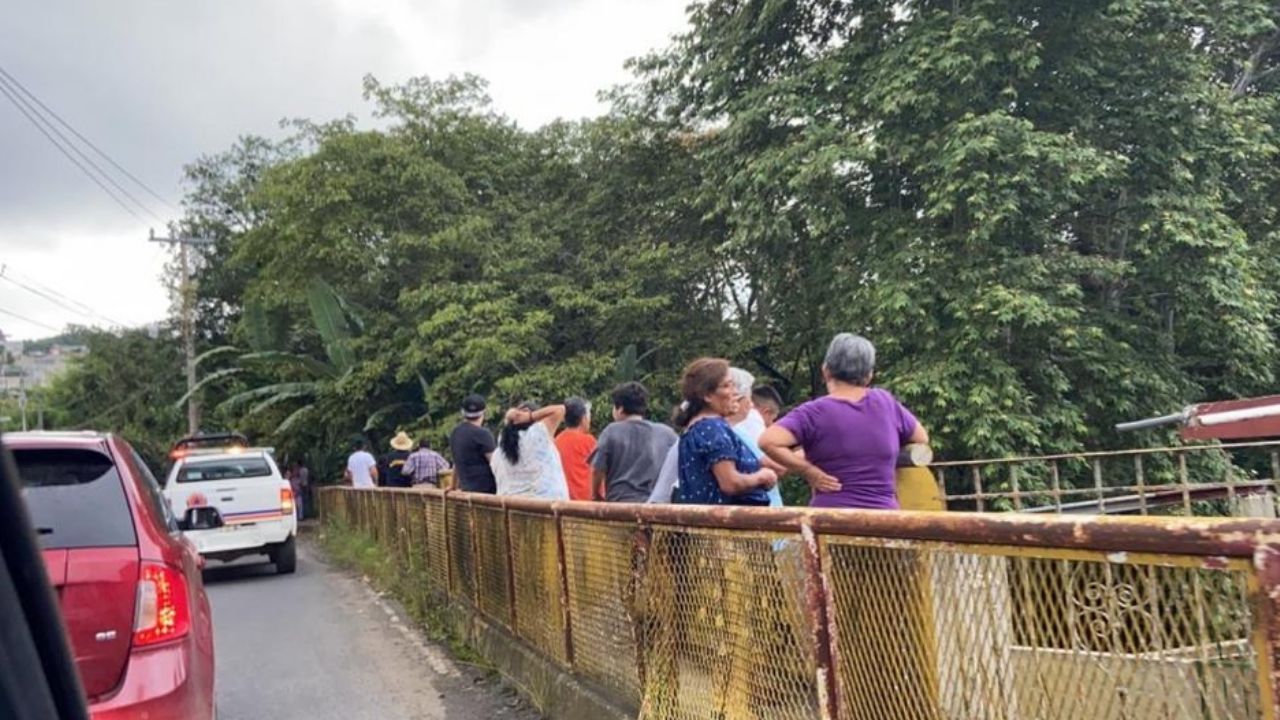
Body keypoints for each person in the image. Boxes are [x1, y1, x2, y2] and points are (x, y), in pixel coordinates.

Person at [760, 333, 928, 509]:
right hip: (883, 519)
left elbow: (768, 441)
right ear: (869, 375)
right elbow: (921, 438)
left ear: (825, 370)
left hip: (832, 519)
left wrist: (808, 470)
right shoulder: (884, 402)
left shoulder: (814, 412)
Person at [671, 358, 776, 505]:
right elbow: (730, 483)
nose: (734, 393)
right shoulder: (712, 429)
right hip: (728, 522)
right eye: (726, 386)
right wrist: (762, 477)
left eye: (733, 385)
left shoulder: (696, 427)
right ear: (707, 396)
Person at [592, 382, 678, 503]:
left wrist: (595, 494)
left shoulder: (611, 431)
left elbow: (598, 469)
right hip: (655, 504)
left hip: (619, 503)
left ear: (620, 409)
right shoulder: (667, 434)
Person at [726, 367, 784, 507]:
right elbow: (774, 465)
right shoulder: (750, 419)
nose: (751, 405)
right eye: (748, 398)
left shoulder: (730, 428)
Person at [491, 402, 569, 499]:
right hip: (547, 509)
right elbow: (560, 409)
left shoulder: (497, 454)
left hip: (511, 509)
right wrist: (530, 416)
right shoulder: (536, 436)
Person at [449, 394, 498, 493]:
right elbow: (495, 463)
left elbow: (456, 463)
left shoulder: (455, 433)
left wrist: (452, 486)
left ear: (463, 413)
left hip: (467, 491)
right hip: (486, 493)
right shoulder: (483, 434)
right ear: (484, 413)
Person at [555, 397, 597, 501]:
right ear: (584, 419)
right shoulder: (589, 442)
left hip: (563, 499)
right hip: (586, 501)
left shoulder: (556, 441)